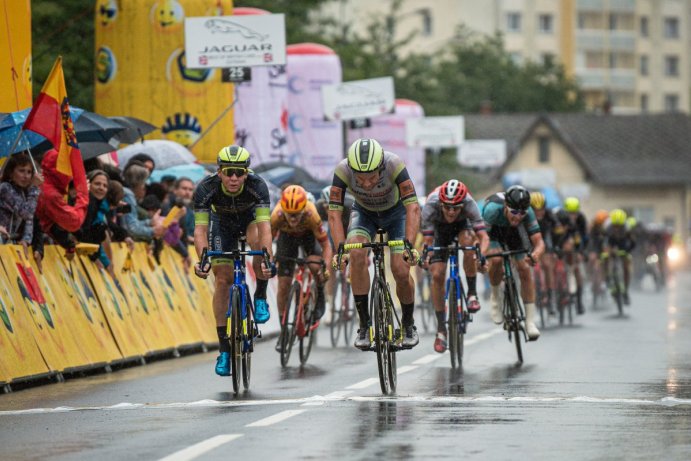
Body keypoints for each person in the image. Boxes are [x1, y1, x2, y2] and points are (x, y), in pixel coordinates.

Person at [328, 138, 421, 350]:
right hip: (364, 213)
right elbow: (334, 213)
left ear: (380, 167)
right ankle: (364, 324)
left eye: (371, 177)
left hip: (397, 214)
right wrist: (340, 250)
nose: (367, 184)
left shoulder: (394, 164)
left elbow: (413, 207)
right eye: (360, 179)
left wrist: (410, 245)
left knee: (400, 269)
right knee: (356, 255)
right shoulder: (342, 170)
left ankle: (408, 324)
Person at [192, 145, 276, 377]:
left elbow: (265, 228)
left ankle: (260, 296)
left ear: (247, 173)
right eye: (228, 172)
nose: (234, 178)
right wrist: (203, 258)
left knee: (258, 246)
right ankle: (224, 349)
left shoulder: (257, 186)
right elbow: (199, 230)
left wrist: (267, 257)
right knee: (222, 280)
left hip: (249, 220)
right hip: (222, 224)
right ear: (219, 172)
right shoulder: (205, 188)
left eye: (240, 173)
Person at [421, 179, 489, 353]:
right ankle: (441, 329)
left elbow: (483, 237)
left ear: (463, 205)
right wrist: (427, 256)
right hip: (439, 230)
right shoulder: (431, 205)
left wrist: (480, 255)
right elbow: (427, 241)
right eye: (447, 207)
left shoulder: (469, 203)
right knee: (437, 275)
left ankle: (472, 293)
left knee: (469, 244)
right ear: (440, 203)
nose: (451, 212)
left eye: (456, 208)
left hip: (462, 227)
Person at [271, 185, 332, 347]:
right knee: (283, 285)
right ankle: (284, 331)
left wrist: (325, 268)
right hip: (286, 239)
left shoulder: (312, 214)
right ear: (283, 209)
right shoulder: (276, 215)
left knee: (314, 266)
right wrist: (268, 260)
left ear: (304, 209)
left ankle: (319, 296)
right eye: (289, 215)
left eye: (297, 214)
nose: (293, 219)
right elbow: (267, 242)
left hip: (308, 237)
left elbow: (326, 245)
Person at [482, 185, 545, 340]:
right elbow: (482, 237)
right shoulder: (492, 210)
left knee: (524, 268)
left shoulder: (527, 213)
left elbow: (539, 242)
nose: (518, 216)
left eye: (522, 213)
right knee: (496, 260)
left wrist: (535, 254)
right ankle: (496, 296)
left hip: (514, 234)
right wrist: (482, 256)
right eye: (514, 212)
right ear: (505, 206)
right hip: (494, 233)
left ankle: (530, 322)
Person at [0, 153, 42, 262]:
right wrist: (34, 188)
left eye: (29, 172)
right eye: (21, 171)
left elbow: (29, 218)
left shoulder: (23, 192)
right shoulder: (5, 188)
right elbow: (25, 212)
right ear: (10, 173)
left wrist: (26, 239)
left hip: (7, 241)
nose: (26, 176)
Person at [552, 197, 589, 314]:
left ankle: (578, 301)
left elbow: (583, 237)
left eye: (575, 213)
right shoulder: (558, 217)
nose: (573, 216)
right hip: (557, 241)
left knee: (576, 267)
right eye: (570, 213)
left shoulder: (581, 219)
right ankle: (553, 294)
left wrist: (582, 252)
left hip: (572, 241)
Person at [530, 191, 559, 314]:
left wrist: (555, 248)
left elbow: (556, 231)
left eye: (541, 209)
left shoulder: (549, 215)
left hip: (545, 239)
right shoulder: (526, 215)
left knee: (548, 266)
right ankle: (534, 293)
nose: (538, 213)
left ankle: (551, 297)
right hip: (531, 240)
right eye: (535, 210)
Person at [601, 208, 635, 304]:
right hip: (610, 242)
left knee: (626, 264)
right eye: (615, 226)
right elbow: (603, 241)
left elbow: (632, 242)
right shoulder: (607, 227)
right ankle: (607, 277)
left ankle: (625, 291)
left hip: (622, 243)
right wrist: (606, 252)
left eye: (619, 226)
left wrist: (627, 252)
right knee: (605, 259)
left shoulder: (627, 228)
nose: (616, 228)